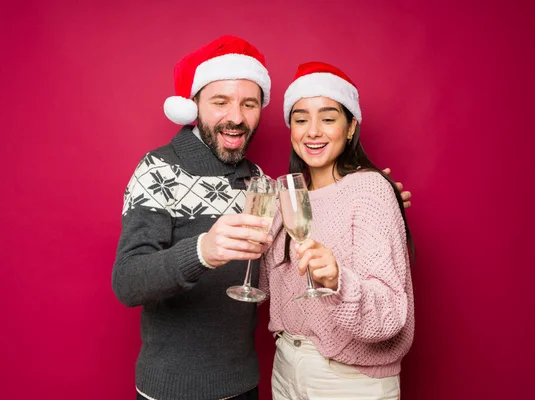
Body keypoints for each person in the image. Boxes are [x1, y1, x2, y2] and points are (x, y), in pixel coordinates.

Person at [112, 35, 412, 400]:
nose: (236, 117)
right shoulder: (157, 169)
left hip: (244, 385)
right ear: (193, 105)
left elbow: (283, 265)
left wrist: (370, 190)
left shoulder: (262, 185)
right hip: (174, 389)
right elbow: (127, 281)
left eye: (249, 104)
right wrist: (202, 250)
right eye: (220, 102)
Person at [260, 62, 415, 399]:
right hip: (286, 366)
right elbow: (264, 289)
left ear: (350, 127)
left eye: (328, 118)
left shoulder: (369, 190)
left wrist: (337, 282)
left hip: (347, 379)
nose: (312, 131)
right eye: (301, 119)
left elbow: (390, 316)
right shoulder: (283, 198)